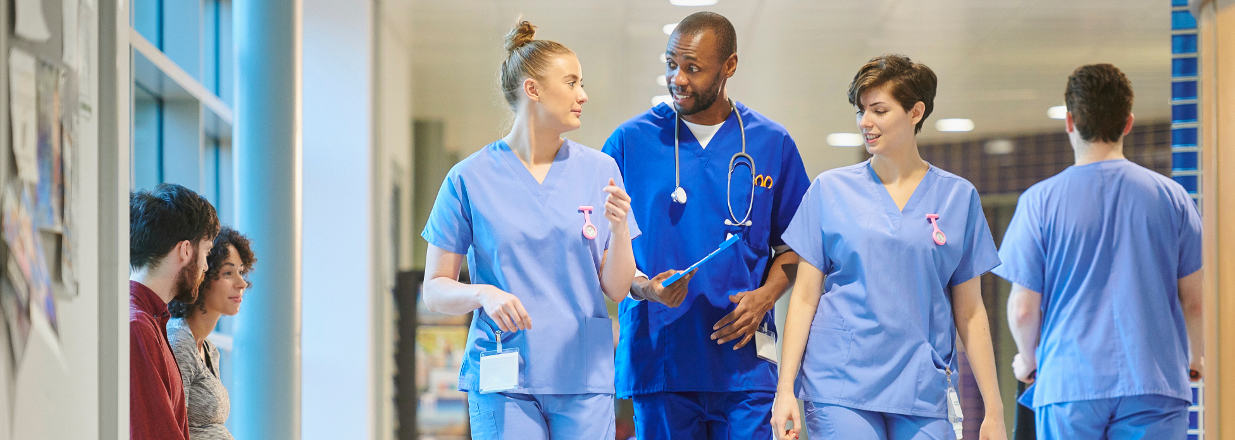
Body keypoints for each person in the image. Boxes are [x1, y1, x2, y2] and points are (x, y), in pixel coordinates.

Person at [419, 20, 638, 440]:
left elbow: (616, 287)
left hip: (583, 375)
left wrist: (621, 228)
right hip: (504, 375)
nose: (583, 95)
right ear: (533, 89)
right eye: (571, 82)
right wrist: (483, 293)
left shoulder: (601, 170)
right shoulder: (468, 178)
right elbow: (435, 289)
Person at [771, 54, 1007, 440]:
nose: (866, 122)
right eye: (861, 110)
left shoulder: (957, 197)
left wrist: (993, 411)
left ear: (916, 112)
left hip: (922, 386)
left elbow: (971, 312)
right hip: (840, 383)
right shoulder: (829, 191)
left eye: (879, 110)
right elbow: (804, 297)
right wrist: (785, 391)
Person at [602, 11, 811, 440]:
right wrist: (645, 287)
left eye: (693, 68)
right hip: (660, 359)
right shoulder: (629, 143)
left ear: (729, 67)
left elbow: (798, 247)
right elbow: (600, 247)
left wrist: (767, 295)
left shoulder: (772, 144)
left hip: (744, 367)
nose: (677, 78)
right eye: (670, 64)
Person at [994, 63, 1204, 439]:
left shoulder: (1039, 201)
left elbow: (1024, 309)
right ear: (1128, 122)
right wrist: (1194, 356)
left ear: (1070, 122)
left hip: (1068, 386)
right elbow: (1196, 301)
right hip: (1155, 383)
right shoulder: (1173, 198)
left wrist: (1028, 359)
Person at [130, 183, 220, 440]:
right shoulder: (139, 327)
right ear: (186, 250)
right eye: (206, 252)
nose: (205, 266)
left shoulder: (149, 321)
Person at [167, 227, 256, 440]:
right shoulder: (180, 342)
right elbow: (171, 430)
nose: (241, 283)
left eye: (241, 272)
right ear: (202, 276)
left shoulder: (209, 350)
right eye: (228, 273)